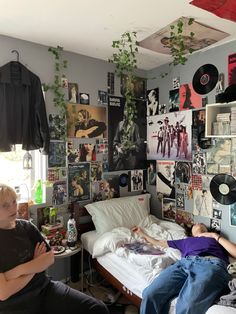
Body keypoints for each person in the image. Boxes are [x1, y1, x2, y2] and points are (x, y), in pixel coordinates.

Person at [0, 184, 109, 314]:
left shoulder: (26, 227)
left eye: (14, 201)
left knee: (98, 308)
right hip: (16, 304)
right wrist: (36, 264)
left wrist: (17, 271)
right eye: (5, 205)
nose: (13, 207)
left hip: (44, 288)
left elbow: (49, 258)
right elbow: (4, 292)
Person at [132, 223, 236, 314]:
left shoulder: (214, 239)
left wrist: (214, 236)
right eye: (194, 224)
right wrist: (142, 233)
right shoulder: (185, 241)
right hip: (184, 263)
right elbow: (158, 242)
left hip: (210, 264)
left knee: (188, 305)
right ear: (191, 232)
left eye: (201, 223)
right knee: (150, 294)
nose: (198, 223)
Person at [113, 106, 141, 170]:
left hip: (130, 157)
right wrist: (118, 149)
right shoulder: (120, 124)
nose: (127, 113)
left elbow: (138, 143)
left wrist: (130, 147)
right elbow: (115, 141)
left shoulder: (135, 126)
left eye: (129, 112)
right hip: (120, 156)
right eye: (125, 110)